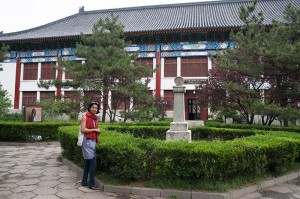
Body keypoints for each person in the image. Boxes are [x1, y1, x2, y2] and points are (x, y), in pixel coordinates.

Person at [80, 102, 101, 190]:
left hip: (92, 140)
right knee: (92, 162)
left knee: (87, 162)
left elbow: (93, 130)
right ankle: (91, 184)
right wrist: (94, 129)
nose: (94, 109)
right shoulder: (85, 117)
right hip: (87, 141)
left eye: (96, 108)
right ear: (89, 108)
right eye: (93, 107)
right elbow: (83, 130)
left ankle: (84, 181)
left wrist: (97, 131)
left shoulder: (95, 118)